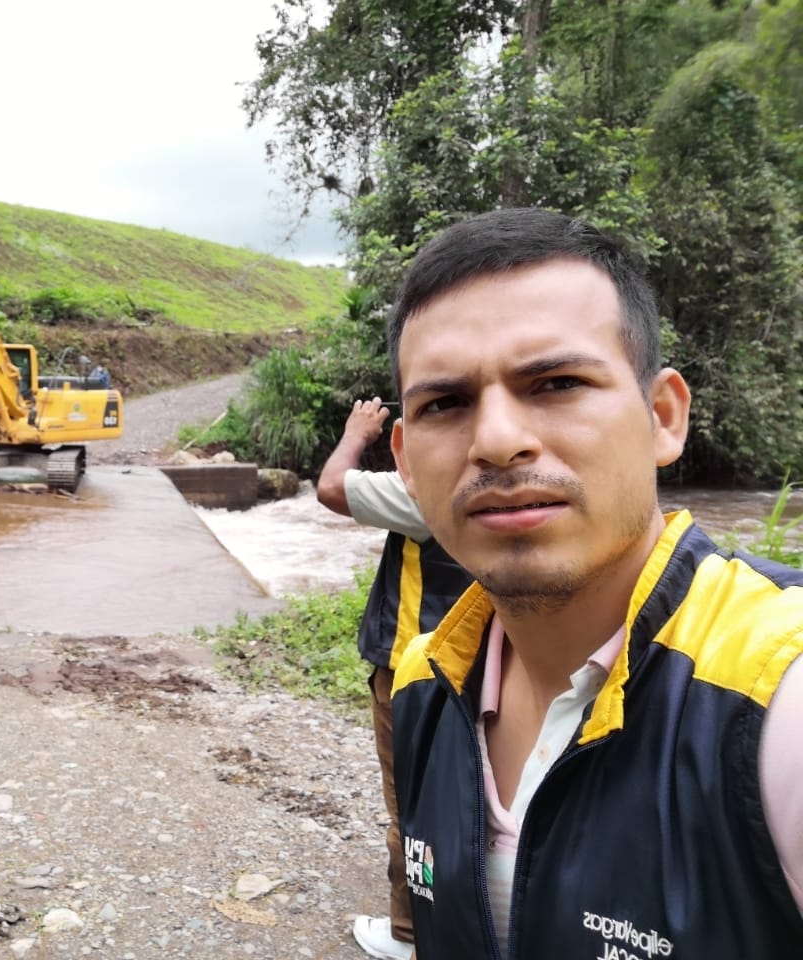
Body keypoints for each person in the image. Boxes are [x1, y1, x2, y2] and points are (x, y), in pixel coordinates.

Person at [383, 207, 803, 959]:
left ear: (662, 417)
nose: (498, 441)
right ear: (407, 461)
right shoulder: (425, 681)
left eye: (557, 383)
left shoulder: (776, 697)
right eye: (445, 403)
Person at [316, 399, 473, 960]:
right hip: (496, 667)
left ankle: (409, 932)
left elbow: (332, 487)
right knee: (475, 801)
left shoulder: (425, 491)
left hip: (416, 674)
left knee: (412, 808)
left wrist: (357, 433)